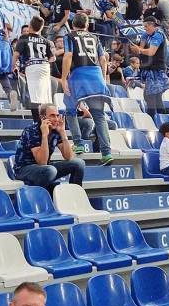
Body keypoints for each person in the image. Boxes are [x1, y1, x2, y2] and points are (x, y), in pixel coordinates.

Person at [61, 14, 113, 165]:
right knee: (99, 116)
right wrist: (103, 78)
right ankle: (106, 153)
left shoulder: (70, 35)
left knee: (70, 110)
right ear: (87, 25)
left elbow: (68, 56)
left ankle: (78, 143)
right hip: (96, 75)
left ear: (73, 24)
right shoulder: (95, 37)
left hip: (79, 75)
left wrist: (64, 79)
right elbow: (103, 59)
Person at [12, 103, 85, 192]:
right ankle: (44, 196)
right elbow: (42, 162)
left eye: (57, 116)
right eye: (52, 116)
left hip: (44, 168)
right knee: (50, 170)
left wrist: (63, 133)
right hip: (24, 169)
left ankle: (74, 196)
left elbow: (69, 157)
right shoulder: (31, 130)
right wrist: (44, 135)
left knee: (78, 163)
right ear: (43, 117)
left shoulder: (55, 130)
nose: (56, 119)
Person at [13, 16, 56, 122]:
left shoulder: (24, 38)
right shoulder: (46, 41)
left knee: (34, 97)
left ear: (30, 26)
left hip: (32, 66)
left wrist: (12, 66)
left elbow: (16, 54)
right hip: (45, 67)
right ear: (41, 28)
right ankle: (47, 120)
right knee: (45, 96)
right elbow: (53, 58)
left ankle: (38, 122)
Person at [130, 16, 169, 116]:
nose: (145, 28)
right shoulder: (145, 34)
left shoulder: (158, 35)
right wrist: (135, 47)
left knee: (150, 96)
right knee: (154, 97)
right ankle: (161, 118)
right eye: (144, 26)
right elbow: (141, 48)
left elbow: (151, 52)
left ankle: (152, 119)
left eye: (147, 26)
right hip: (147, 68)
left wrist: (139, 50)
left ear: (153, 25)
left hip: (156, 69)